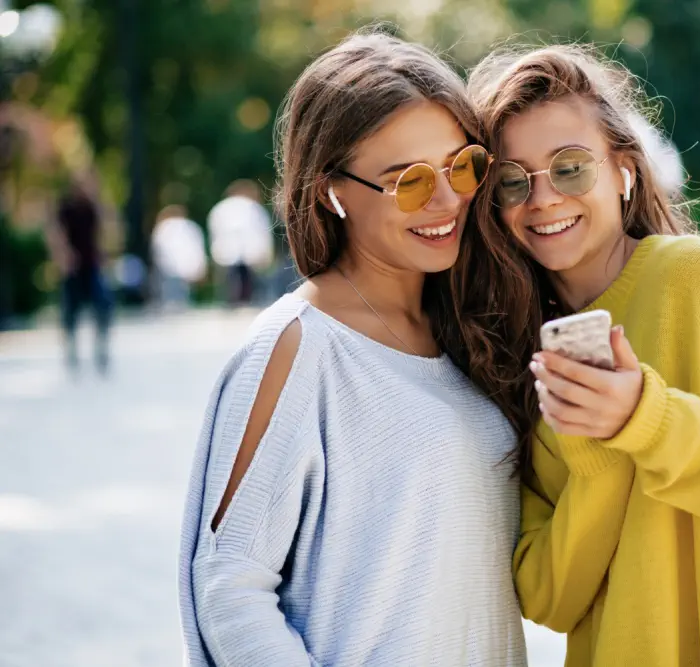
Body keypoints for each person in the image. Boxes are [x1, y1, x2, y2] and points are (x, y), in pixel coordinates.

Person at [464, 44, 700, 666]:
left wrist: (644, 417)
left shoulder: (690, 276)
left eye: (570, 168)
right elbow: (547, 598)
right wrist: (595, 461)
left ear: (625, 171)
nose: (544, 198)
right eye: (513, 180)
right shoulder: (518, 354)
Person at [177, 31, 527, 666]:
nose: (448, 200)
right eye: (409, 182)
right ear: (328, 190)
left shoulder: (467, 333)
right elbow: (229, 587)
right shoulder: (298, 347)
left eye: (462, 166)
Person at [47, 178, 113, 374]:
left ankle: (101, 348)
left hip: (92, 265)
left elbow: (107, 229)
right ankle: (71, 350)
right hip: (72, 267)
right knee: (70, 311)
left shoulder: (94, 207)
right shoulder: (65, 208)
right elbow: (56, 232)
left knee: (103, 305)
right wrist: (62, 256)